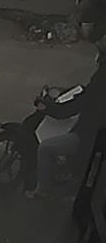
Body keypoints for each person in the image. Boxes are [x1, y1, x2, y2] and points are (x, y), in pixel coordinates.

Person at [32, 35, 106, 198]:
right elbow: (85, 94)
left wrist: (49, 107)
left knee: (45, 148)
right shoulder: (100, 79)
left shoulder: (101, 79)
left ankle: (42, 191)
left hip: (89, 136)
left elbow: (70, 109)